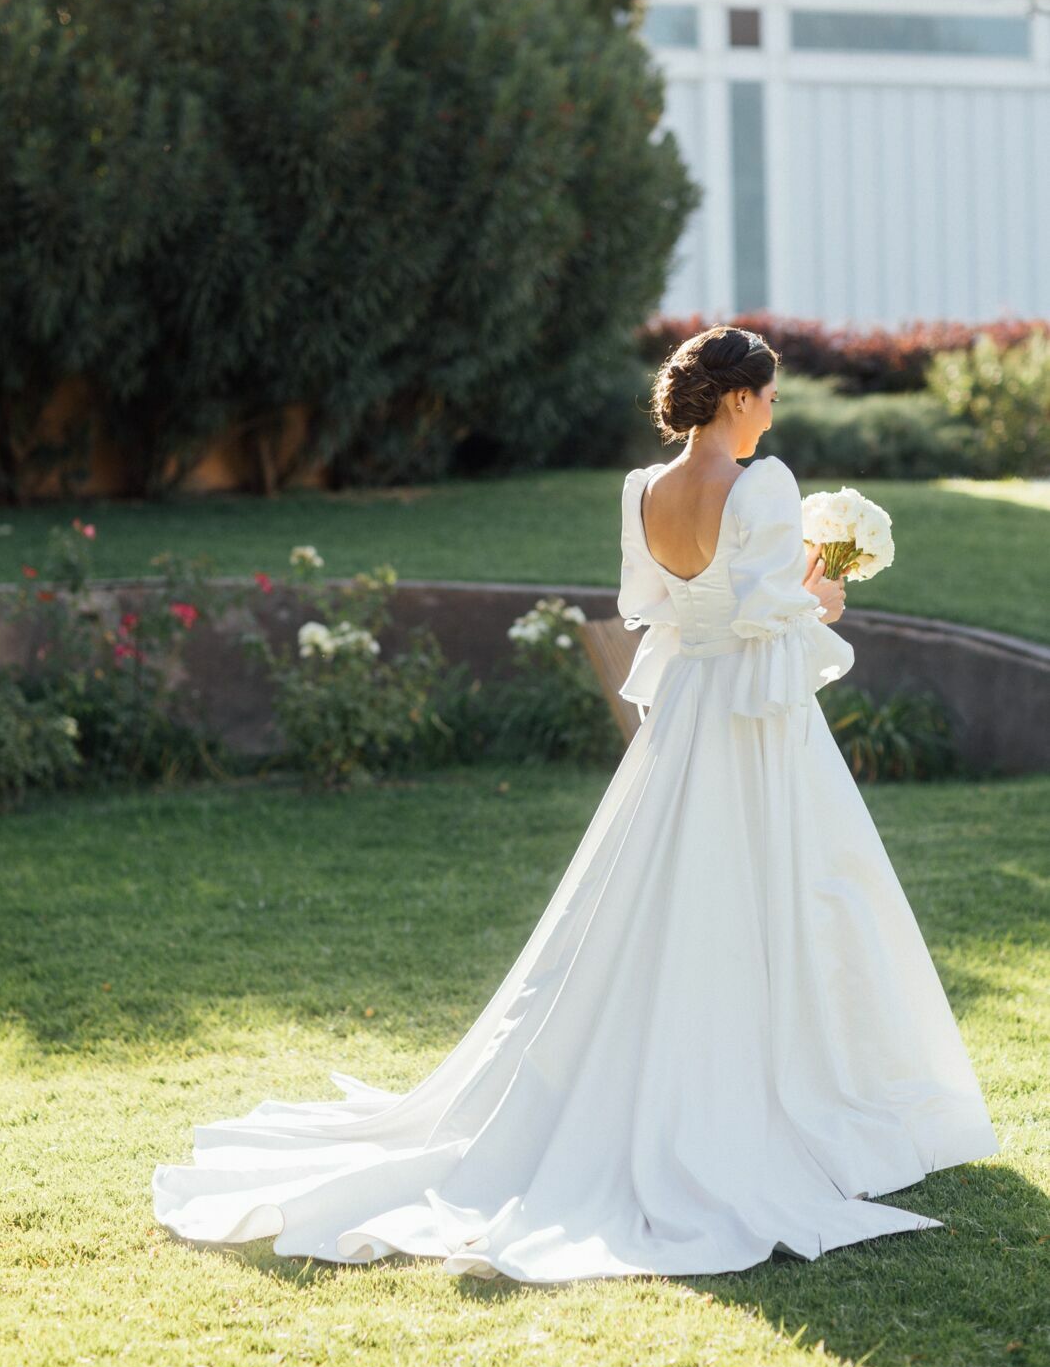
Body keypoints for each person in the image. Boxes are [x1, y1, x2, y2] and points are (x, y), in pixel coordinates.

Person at [152, 325, 1000, 1284]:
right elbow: (769, 618)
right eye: (765, 398)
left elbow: (664, 610)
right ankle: (804, 1095)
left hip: (684, 716)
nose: (772, 413)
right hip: (749, 728)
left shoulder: (640, 490)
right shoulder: (761, 486)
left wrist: (784, 598)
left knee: (660, 889)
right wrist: (823, 599)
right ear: (733, 401)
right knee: (796, 889)